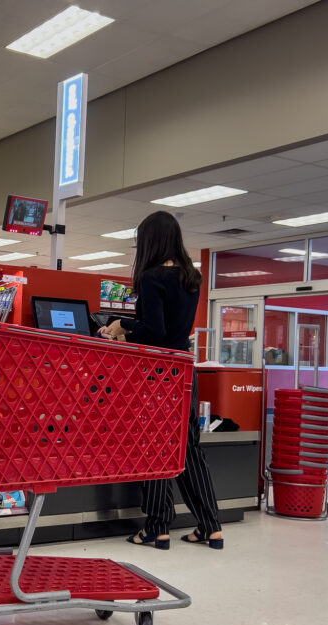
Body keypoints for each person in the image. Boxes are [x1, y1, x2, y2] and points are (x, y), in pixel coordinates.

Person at [98, 210, 224, 550]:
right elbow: (173, 330)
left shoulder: (152, 278)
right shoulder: (192, 277)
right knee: (189, 448)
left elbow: (154, 332)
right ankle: (211, 526)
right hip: (184, 370)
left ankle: (156, 527)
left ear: (150, 242)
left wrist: (121, 327)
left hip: (156, 375)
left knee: (154, 447)